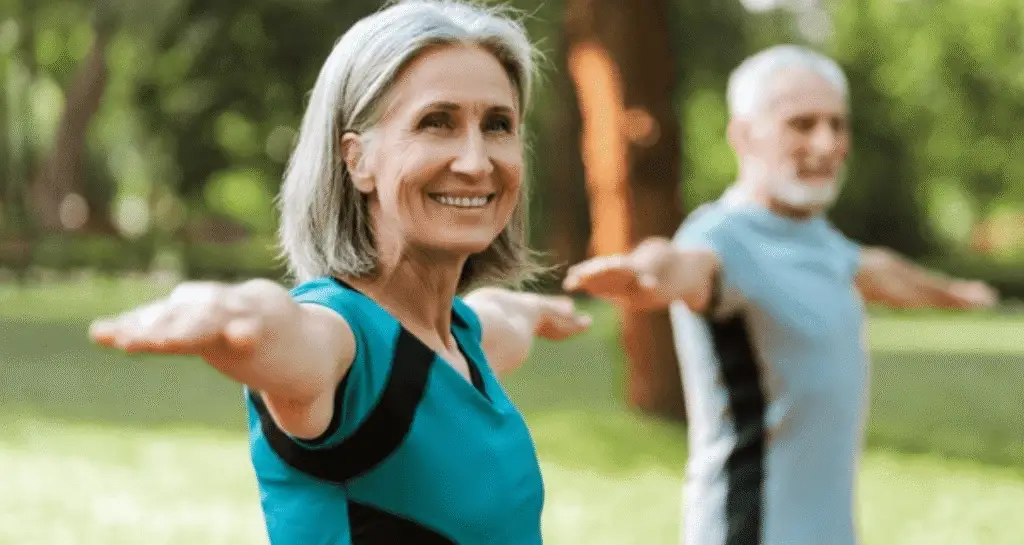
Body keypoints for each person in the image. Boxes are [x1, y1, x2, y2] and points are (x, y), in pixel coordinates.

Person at [90, 1, 593, 543]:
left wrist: (533, 310)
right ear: (357, 160)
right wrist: (234, 314)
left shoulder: (461, 338)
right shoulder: (344, 343)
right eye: (436, 123)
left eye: (498, 125)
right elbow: (286, 330)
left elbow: (498, 320)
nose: (475, 161)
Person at [563, 44, 999, 545]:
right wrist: (640, 274)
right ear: (743, 135)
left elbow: (880, 270)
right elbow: (677, 264)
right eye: (802, 124)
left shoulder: (817, 237)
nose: (827, 143)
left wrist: (956, 292)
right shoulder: (721, 238)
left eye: (838, 125)